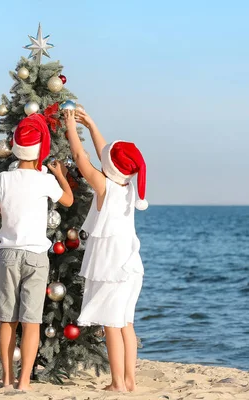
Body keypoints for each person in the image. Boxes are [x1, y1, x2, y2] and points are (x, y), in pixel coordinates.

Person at [0, 113, 74, 390]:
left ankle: (6, 379)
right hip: (35, 256)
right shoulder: (45, 180)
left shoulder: (2, 179)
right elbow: (68, 200)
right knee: (31, 322)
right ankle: (24, 383)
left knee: (7, 319)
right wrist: (60, 176)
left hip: (8, 255)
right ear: (40, 149)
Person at [63, 107, 148, 392]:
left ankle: (117, 383)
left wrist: (70, 126)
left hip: (112, 266)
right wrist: (91, 124)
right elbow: (106, 157)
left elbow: (81, 158)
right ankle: (130, 381)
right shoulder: (127, 185)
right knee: (126, 323)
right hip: (131, 266)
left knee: (111, 325)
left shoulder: (104, 186)